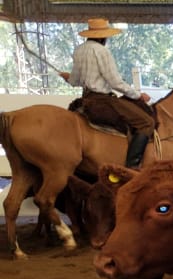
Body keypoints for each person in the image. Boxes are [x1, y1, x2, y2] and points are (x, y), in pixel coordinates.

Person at [59, 18, 157, 168]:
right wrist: (138, 95)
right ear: (101, 36)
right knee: (147, 122)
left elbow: (75, 80)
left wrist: (68, 78)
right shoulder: (102, 51)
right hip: (102, 100)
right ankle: (132, 165)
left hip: (86, 99)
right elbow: (115, 82)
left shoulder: (79, 50)